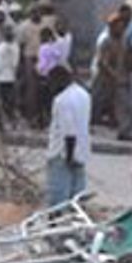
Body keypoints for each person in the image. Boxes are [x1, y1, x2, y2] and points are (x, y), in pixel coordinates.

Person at [46, 66, 91, 207]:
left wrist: (69, 157)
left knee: (59, 200)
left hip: (62, 154)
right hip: (82, 152)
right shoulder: (84, 94)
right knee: (77, 199)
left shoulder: (62, 100)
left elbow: (69, 132)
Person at [0, 26, 21, 126]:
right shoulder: (14, 47)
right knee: (7, 100)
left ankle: (7, 120)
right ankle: (8, 120)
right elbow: (15, 64)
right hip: (6, 77)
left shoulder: (0, 48)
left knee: (4, 100)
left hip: (3, 78)